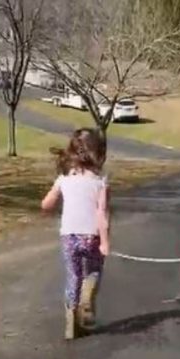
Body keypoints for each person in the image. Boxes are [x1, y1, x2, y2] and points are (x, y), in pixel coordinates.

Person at [41, 128, 110, 340]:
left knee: (73, 275)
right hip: (91, 236)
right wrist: (105, 242)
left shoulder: (63, 179)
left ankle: (71, 318)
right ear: (97, 152)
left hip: (68, 236)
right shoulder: (100, 182)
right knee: (93, 272)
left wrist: (48, 205)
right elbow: (102, 213)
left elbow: (47, 203)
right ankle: (87, 298)